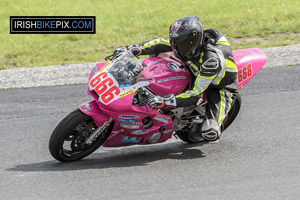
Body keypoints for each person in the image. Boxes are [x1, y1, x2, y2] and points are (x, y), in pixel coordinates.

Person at [114, 16, 238, 142]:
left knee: (210, 131)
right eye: (174, 42)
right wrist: (133, 49)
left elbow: (196, 93)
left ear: (192, 42)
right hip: (193, 67)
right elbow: (160, 43)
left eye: (179, 43)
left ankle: (209, 123)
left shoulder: (210, 61)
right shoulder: (187, 44)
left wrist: (165, 102)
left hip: (218, 87)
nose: (175, 47)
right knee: (157, 58)